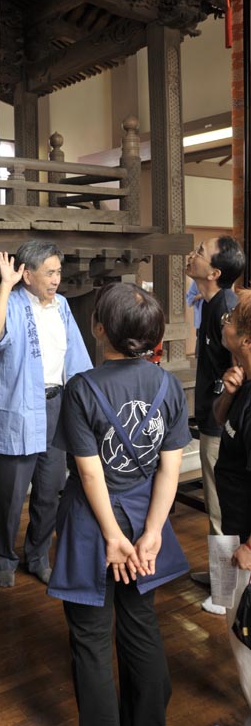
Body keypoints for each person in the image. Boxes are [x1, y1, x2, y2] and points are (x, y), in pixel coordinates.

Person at [48, 281, 190, 726]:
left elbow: (90, 472)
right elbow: (170, 468)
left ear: (99, 329)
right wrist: (150, 534)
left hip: (95, 525)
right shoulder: (168, 386)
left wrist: (112, 537)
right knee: (140, 621)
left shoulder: (82, 388)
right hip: (146, 514)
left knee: (91, 635)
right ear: (154, 336)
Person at [0, 241, 92, 588]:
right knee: (10, 493)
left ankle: (37, 556)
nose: (57, 279)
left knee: (50, 489)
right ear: (27, 274)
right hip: (23, 408)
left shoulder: (63, 306)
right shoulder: (8, 302)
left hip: (57, 406)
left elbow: (76, 359)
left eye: (59, 272)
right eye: (50, 272)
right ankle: (1, 556)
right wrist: (5, 286)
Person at [185, 236, 245, 614]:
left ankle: (225, 594)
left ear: (215, 272)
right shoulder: (212, 305)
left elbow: (239, 366)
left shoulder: (227, 309)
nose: (192, 254)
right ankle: (218, 572)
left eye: (200, 252)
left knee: (221, 507)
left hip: (223, 423)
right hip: (213, 416)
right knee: (214, 503)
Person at [213, 290, 251, 726]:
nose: (224, 325)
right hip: (227, 525)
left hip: (244, 540)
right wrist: (226, 393)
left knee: (244, 631)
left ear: (245, 337)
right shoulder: (242, 376)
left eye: (231, 321)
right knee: (229, 616)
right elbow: (221, 421)